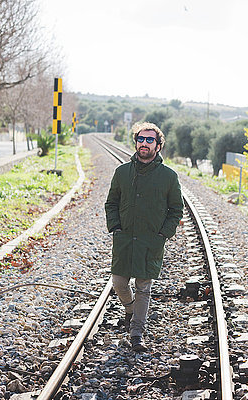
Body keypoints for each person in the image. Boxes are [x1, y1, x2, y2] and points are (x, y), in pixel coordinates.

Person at [105, 122, 184, 352]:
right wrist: (116, 227)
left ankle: (137, 332)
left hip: (151, 241)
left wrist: (163, 234)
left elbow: (176, 210)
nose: (144, 143)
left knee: (143, 286)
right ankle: (130, 310)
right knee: (119, 283)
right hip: (125, 238)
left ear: (158, 146)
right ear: (136, 142)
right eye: (141, 139)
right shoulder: (122, 172)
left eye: (150, 140)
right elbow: (111, 203)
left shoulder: (168, 176)